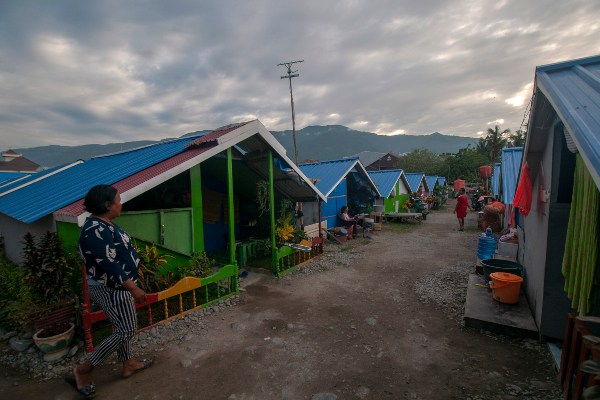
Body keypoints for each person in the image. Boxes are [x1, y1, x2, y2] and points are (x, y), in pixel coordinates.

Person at [67, 185, 153, 398]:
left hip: (118, 286)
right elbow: (108, 263)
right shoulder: (94, 229)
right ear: (107, 205)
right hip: (110, 288)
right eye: (118, 200)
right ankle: (84, 370)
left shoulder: (102, 225)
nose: (121, 203)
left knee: (123, 327)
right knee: (126, 330)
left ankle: (129, 363)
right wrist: (133, 287)